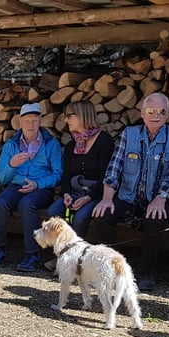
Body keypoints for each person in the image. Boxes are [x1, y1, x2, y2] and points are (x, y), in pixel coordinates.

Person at [91, 92, 169, 291]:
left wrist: (161, 198)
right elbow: (114, 167)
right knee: (102, 215)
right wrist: (107, 198)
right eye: (151, 111)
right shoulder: (129, 134)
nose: (156, 116)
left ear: (168, 115)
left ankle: (146, 272)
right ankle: (115, 268)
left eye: (161, 112)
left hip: (160, 196)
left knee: (155, 219)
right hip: (129, 196)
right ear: (142, 113)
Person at [0, 102, 63, 271]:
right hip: (17, 186)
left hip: (41, 188)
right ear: (20, 122)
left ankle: (32, 255)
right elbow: (0, 178)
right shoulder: (11, 145)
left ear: (40, 121)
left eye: (34, 120)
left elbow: (58, 174)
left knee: (27, 204)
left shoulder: (51, 143)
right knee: (0, 203)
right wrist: (11, 165)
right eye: (27, 121)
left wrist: (38, 184)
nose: (30, 125)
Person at [46, 100, 114, 238]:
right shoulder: (72, 145)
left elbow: (106, 176)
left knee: (80, 218)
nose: (66, 120)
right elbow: (66, 175)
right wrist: (66, 194)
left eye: (69, 116)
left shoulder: (104, 141)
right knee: (53, 212)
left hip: (96, 194)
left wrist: (87, 198)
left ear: (83, 115)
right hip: (75, 193)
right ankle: (61, 249)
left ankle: (76, 251)